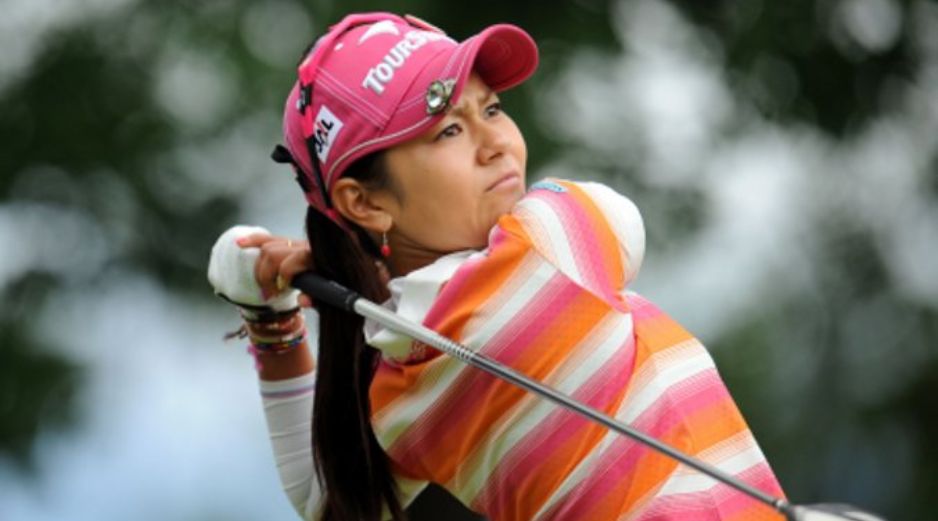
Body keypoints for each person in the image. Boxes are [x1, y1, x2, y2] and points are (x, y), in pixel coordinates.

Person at [207, 11, 786, 521]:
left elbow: (326, 499)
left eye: (492, 108)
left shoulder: (400, 393)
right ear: (366, 203)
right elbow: (624, 221)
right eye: (449, 129)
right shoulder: (550, 236)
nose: (496, 143)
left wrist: (271, 318)